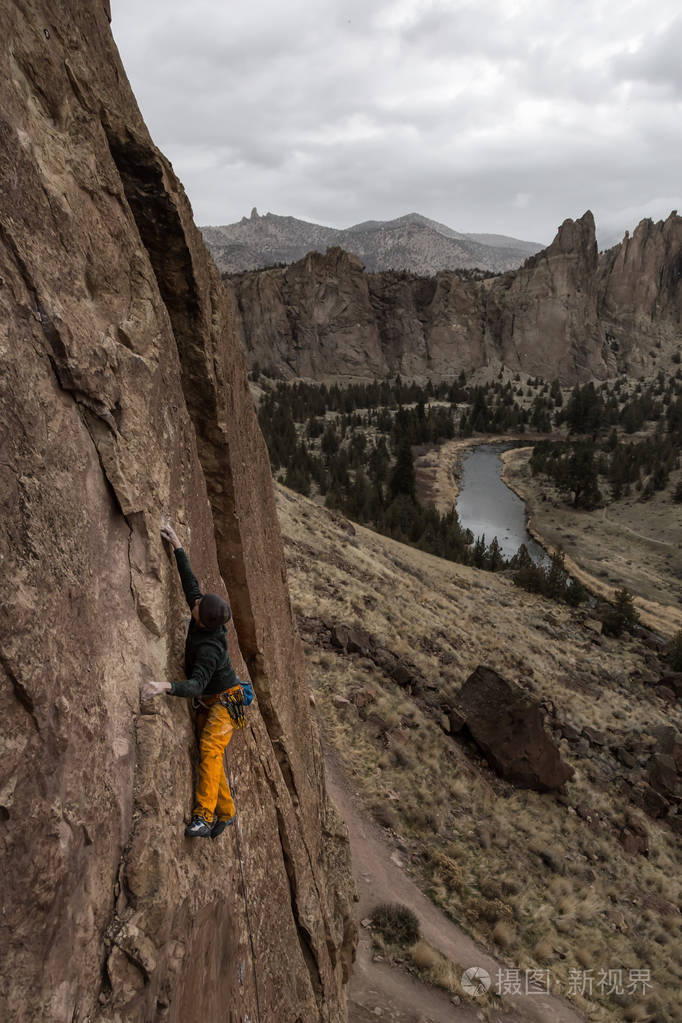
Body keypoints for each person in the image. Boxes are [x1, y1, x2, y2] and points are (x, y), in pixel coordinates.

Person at [141, 523, 254, 839]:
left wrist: (167, 686)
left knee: (209, 748)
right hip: (217, 698)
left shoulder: (210, 648)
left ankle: (204, 817)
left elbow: (197, 685)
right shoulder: (204, 610)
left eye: (198, 607)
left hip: (227, 701)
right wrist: (178, 546)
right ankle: (227, 812)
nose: (193, 603)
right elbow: (191, 585)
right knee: (212, 754)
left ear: (204, 618)